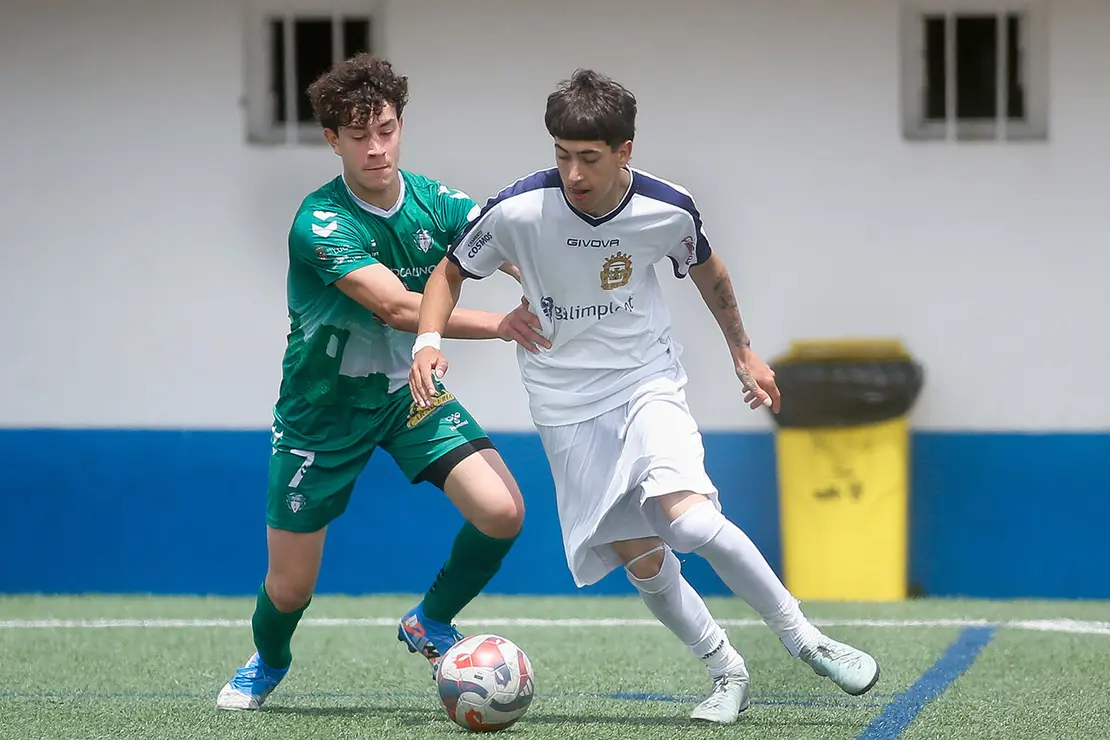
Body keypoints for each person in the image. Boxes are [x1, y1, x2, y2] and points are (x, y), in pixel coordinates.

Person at [409, 69, 880, 725]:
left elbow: (709, 269)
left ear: (624, 151)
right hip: (563, 402)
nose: (572, 172)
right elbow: (451, 271)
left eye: (589, 158)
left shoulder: (667, 208)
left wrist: (742, 350)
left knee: (686, 520)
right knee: (643, 555)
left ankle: (807, 639)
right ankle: (726, 672)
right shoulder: (518, 209)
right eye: (561, 155)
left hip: (645, 379)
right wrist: (427, 340)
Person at [216, 54, 547, 711]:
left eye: (387, 130)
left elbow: (507, 245)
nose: (376, 148)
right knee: (290, 587)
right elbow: (399, 307)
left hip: (407, 397)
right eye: (359, 136)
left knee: (504, 511)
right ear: (332, 140)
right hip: (322, 414)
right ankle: (269, 659)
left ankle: (431, 619)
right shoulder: (320, 223)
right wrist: (504, 324)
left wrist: (550, 280)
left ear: (400, 126)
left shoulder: (436, 200)